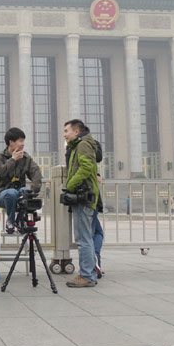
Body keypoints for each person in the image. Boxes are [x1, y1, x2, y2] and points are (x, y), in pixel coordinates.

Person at [62, 118, 100, 288]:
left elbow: (86, 168)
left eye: (66, 131)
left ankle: (86, 275)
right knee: (87, 238)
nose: (65, 135)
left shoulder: (83, 145)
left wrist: (70, 185)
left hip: (83, 197)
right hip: (85, 196)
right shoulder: (80, 144)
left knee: (83, 239)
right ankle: (89, 273)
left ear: (76, 131)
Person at [0, 127, 43, 233]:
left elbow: (35, 172)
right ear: (11, 142)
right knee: (11, 193)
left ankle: (19, 221)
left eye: (23, 141)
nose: (23, 144)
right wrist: (13, 160)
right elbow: (0, 173)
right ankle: (10, 222)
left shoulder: (26, 158)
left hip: (19, 193)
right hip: (1, 194)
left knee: (25, 191)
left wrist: (34, 190)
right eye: (20, 141)